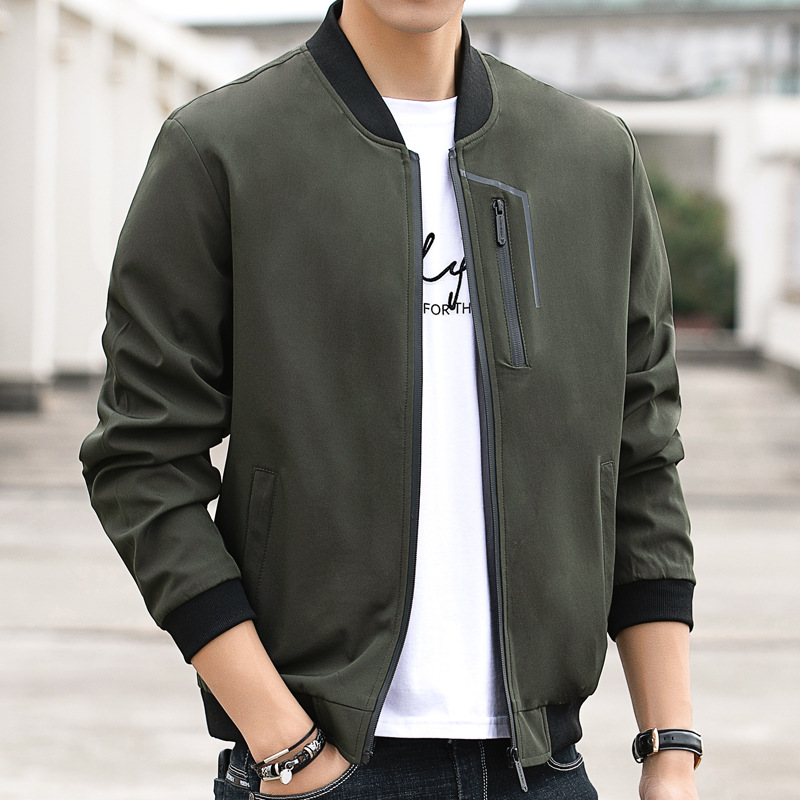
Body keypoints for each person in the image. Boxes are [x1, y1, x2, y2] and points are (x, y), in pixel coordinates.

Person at [80, 1, 702, 798]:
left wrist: (670, 751)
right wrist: (283, 741)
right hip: (318, 765)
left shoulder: (592, 157)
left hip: (542, 768)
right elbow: (141, 460)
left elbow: (640, 458)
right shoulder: (222, 149)